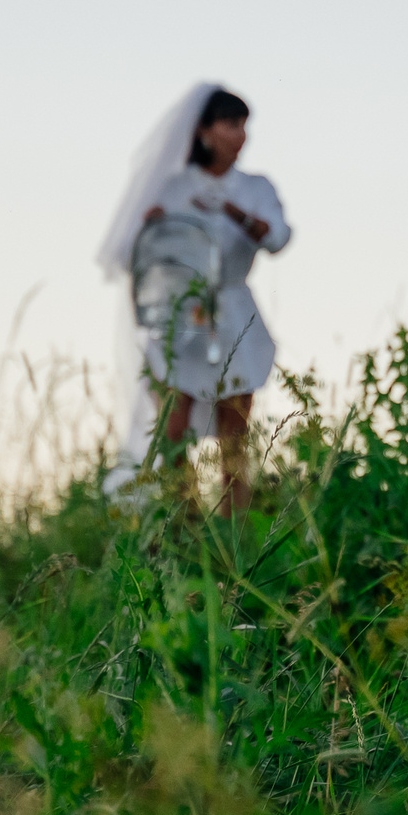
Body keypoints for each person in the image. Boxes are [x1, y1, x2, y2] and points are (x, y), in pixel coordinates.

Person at [96, 84, 291, 511]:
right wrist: (151, 226)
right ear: (204, 131)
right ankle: (181, 531)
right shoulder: (172, 187)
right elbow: (136, 253)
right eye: (231, 124)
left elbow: (278, 238)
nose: (241, 135)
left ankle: (233, 533)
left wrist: (234, 213)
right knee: (173, 427)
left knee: (234, 431)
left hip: (234, 312)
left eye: (244, 126)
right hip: (180, 316)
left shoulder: (255, 187)